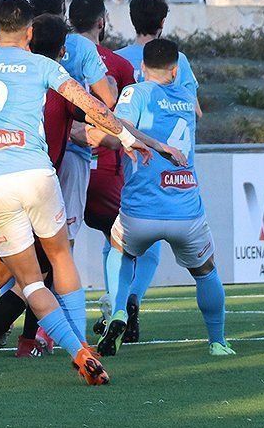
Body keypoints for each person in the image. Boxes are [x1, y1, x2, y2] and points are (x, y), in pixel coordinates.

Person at [0, 0, 157, 383]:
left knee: (28, 281)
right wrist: (130, 140)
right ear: (29, 32)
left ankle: (68, 351)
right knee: (60, 258)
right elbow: (93, 104)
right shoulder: (42, 65)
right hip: (35, 175)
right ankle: (82, 345)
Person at [88, 39, 232, 357]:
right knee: (206, 270)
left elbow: (120, 125)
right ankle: (218, 342)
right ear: (176, 70)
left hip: (141, 209)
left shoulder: (135, 93)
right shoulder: (185, 96)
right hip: (186, 210)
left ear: (141, 68)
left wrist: (104, 136)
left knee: (119, 250)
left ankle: (119, 311)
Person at [108, 0, 202, 337]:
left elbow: (111, 115)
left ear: (131, 20)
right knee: (152, 246)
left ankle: (114, 303)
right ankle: (133, 298)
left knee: (119, 239)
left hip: (127, 159)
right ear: (163, 23)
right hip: (172, 166)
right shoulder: (179, 60)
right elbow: (193, 107)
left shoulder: (115, 58)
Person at [66, 0, 143, 343]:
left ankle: (25, 329)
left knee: (48, 249)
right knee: (122, 242)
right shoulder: (117, 65)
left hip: (57, 163)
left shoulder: (49, 54)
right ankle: (119, 306)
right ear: (102, 22)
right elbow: (129, 116)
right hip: (104, 170)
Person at [29, 0, 117, 244]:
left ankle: (22, 286)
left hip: (27, 150)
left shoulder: (19, 46)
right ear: (64, 7)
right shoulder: (81, 45)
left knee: (23, 238)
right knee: (65, 237)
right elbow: (107, 100)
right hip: (72, 150)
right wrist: (111, 82)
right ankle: (57, 287)